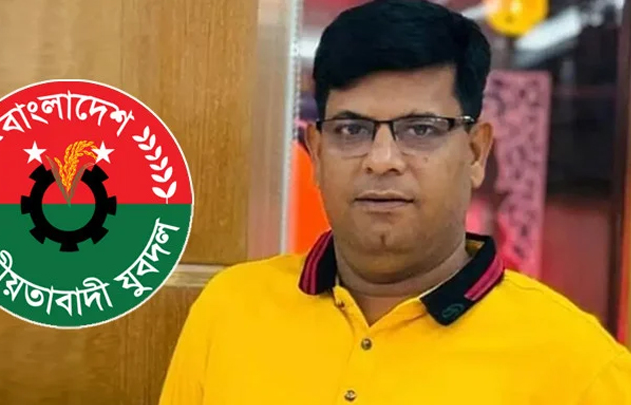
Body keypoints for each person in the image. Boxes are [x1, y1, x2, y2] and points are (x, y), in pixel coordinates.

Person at [159, 0, 631, 403]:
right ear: (317, 154)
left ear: (475, 152)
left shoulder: (579, 368)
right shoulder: (230, 311)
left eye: (420, 129)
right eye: (352, 129)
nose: (381, 160)